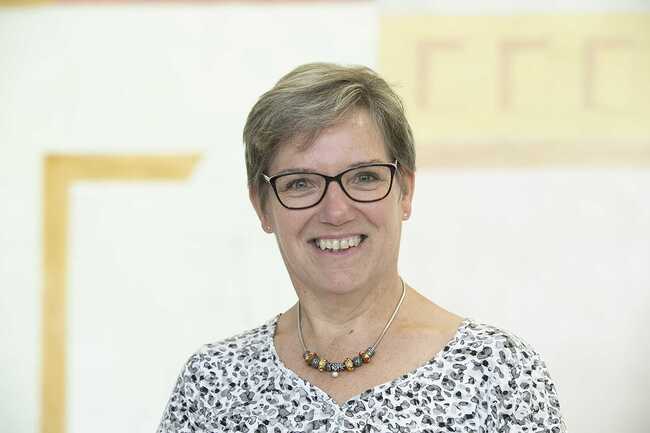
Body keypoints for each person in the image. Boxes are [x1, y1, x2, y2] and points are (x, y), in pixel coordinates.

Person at [157, 63, 566, 432]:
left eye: (364, 177)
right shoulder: (213, 385)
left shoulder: (498, 376)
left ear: (405, 191)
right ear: (262, 207)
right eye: (301, 183)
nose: (336, 211)